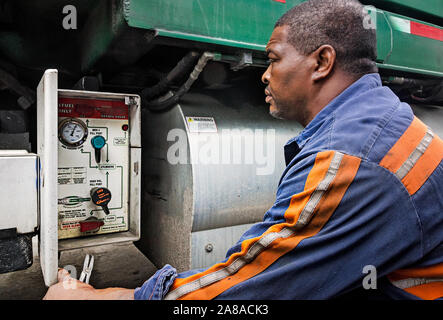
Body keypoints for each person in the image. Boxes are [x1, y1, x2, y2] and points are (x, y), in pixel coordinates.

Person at [44, 0, 443, 300]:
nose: (265, 75)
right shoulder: (381, 119)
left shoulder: (350, 158)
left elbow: (246, 290)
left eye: (273, 59)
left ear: (322, 61)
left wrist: (99, 297)